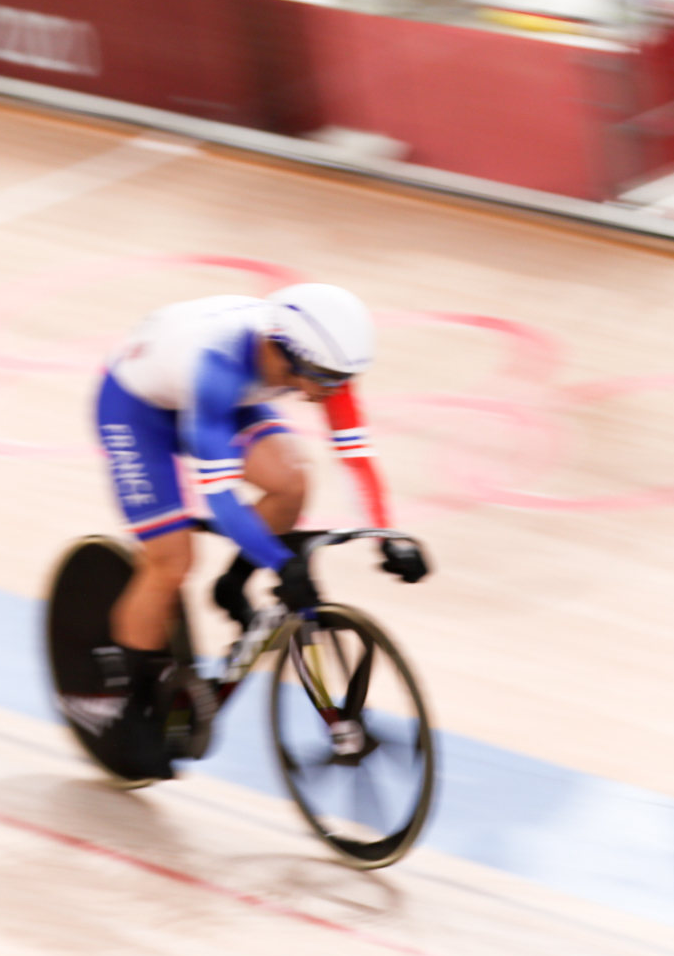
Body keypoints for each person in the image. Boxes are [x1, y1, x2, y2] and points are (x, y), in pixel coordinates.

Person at [96, 284, 427, 779]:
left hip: (225, 400)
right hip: (137, 411)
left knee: (292, 481)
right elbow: (220, 496)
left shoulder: (316, 361)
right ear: (284, 352)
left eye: (343, 380)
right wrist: (280, 563)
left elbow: (356, 457)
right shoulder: (216, 365)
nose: (332, 392)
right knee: (171, 561)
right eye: (324, 379)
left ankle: (231, 586)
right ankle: (127, 706)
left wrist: (387, 537)